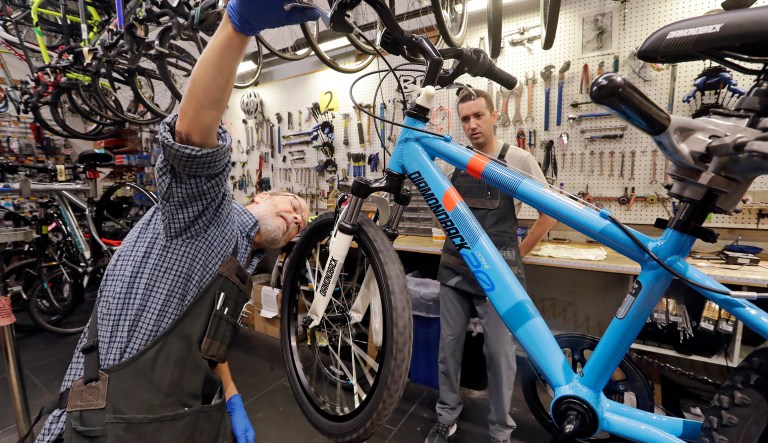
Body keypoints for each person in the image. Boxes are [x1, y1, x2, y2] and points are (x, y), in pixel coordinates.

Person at [36, 2, 318, 443]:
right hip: (102, 423)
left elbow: (209, 340)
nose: (298, 216)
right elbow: (192, 137)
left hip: (160, 418)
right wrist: (236, 28)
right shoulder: (208, 208)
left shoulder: (240, 259)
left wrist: (232, 396)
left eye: (301, 222)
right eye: (293, 203)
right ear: (260, 195)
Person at [426, 88, 557, 443]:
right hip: (455, 268)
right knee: (448, 348)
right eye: (465, 118)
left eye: (478, 116)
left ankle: (501, 431)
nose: (471, 125)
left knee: (499, 354)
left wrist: (517, 254)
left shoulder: (518, 159)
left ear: (495, 115)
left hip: (498, 277)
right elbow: (441, 208)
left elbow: (548, 216)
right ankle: (446, 415)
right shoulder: (453, 159)